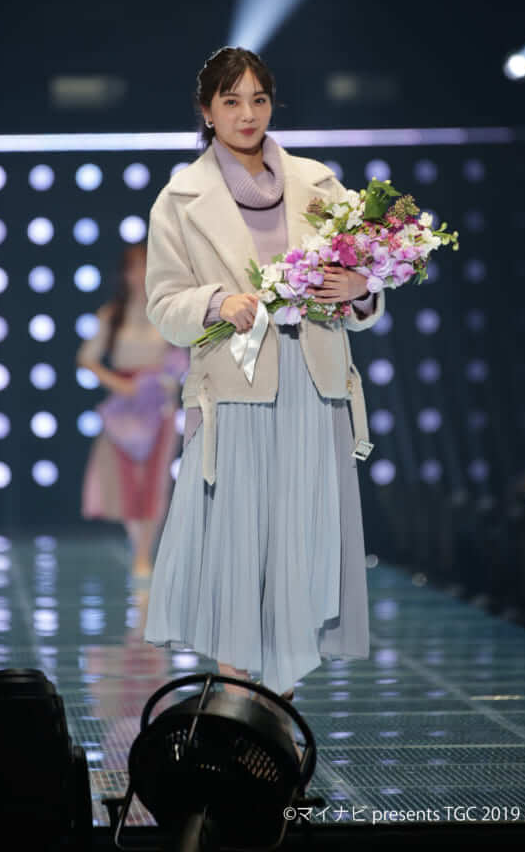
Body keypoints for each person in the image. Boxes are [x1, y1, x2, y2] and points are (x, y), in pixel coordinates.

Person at [142, 47, 385, 704]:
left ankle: (279, 713)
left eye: (258, 99)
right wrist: (217, 303)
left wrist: (360, 289)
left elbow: (363, 281)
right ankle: (233, 702)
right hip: (235, 388)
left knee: (302, 542)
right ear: (206, 111)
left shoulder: (320, 185)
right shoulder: (180, 199)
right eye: (231, 102)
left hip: (313, 383)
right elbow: (163, 305)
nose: (247, 114)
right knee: (236, 540)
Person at [77, 243, 187, 576]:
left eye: (144, 266)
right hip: (123, 410)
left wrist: (167, 378)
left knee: (155, 481)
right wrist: (119, 384)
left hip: (159, 407)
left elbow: (181, 358)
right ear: (124, 274)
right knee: (126, 482)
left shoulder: (166, 311)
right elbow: (87, 359)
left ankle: (143, 555)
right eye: (132, 268)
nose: (138, 275)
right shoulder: (112, 316)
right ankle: (138, 547)